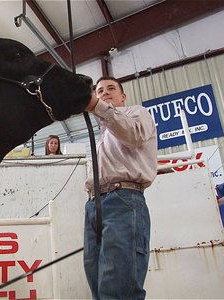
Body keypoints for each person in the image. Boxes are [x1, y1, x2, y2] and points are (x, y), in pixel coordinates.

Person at [83, 76, 157, 299]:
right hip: (95, 204)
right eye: (100, 90)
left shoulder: (137, 113)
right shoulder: (103, 135)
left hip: (123, 198)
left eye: (111, 88)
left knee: (119, 286)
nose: (104, 92)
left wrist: (97, 106)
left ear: (122, 96)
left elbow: (133, 135)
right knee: (97, 282)